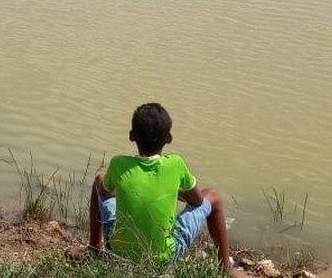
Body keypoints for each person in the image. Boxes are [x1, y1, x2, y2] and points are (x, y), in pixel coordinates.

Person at [83, 103, 239, 275]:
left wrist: (125, 190)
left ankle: (94, 248)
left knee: (99, 181)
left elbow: (104, 193)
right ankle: (226, 267)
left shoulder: (118, 163)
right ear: (169, 138)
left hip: (118, 253)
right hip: (165, 260)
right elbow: (198, 201)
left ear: (131, 136)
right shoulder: (176, 164)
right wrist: (175, 192)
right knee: (213, 197)